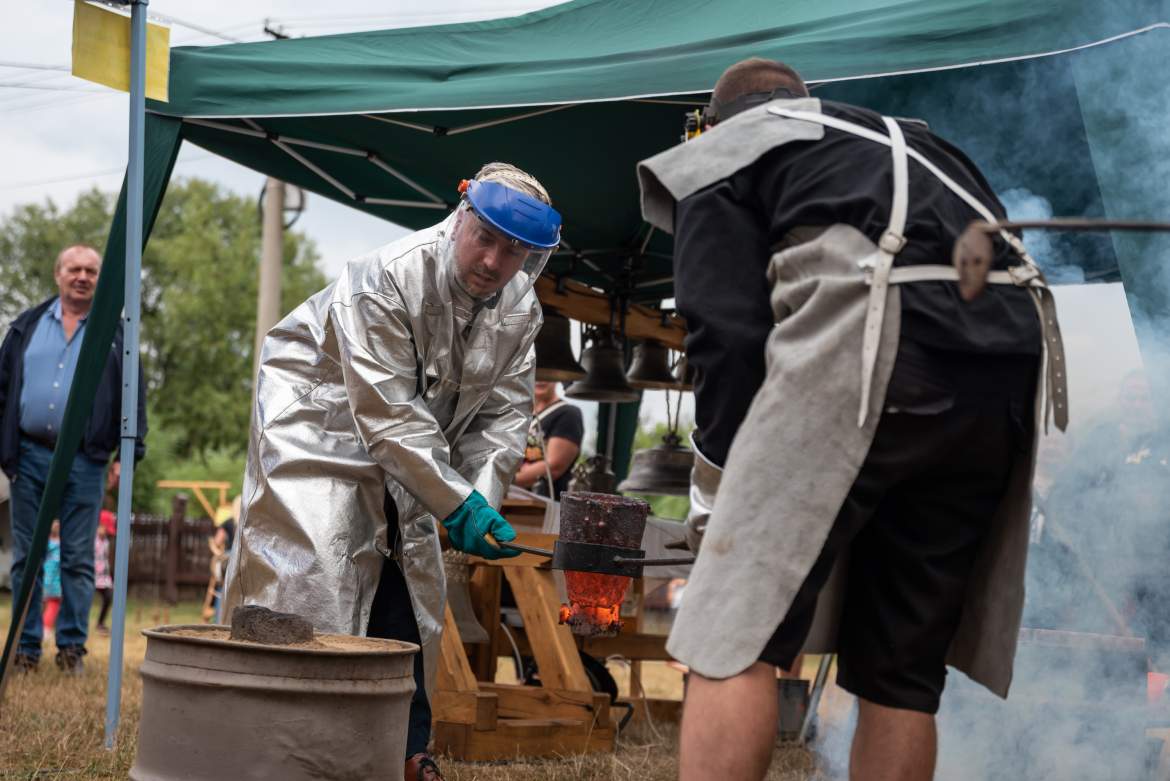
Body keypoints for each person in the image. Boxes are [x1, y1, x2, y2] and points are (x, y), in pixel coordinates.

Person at [637, 58, 1065, 780]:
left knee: (733, 635)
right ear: (806, 103)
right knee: (902, 669)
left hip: (876, 338)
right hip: (1005, 370)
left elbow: (727, 334)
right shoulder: (909, 145)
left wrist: (725, 486)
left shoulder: (726, 149)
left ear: (714, 121)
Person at [223, 162, 560, 781]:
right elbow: (385, 412)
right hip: (321, 433)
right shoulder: (386, 277)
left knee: (409, 596)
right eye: (485, 238)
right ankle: (284, 753)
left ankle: (404, 752)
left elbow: (506, 417)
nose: (493, 261)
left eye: (513, 252)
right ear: (461, 216)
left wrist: (480, 498)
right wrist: (454, 501)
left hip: (414, 452)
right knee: (316, 588)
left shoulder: (519, 309)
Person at [0, 244, 147, 674]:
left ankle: (70, 650)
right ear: (58, 275)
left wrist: (128, 454)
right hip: (28, 456)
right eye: (74, 269)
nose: (82, 276)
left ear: (100, 280)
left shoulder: (116, 334)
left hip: (86, 460)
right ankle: (26, 649)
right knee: (26, 555)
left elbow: (133, 398)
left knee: (78, 557)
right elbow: (2, 389)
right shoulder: (26, 326)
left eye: (91, 270)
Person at [513, 381, 583, 500]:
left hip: (544, 507)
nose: (542, 379)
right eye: (537, 373)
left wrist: (504, 480)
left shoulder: (568, 414)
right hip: (510, 504)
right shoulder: (518, 414)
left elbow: (553, 467)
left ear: (557, 376)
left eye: (547, 374)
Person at [41, 521, 62, 634]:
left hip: (44, 580)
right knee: (54, 604)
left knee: (44, 604)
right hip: (55, 582)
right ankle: (46, 628)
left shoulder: (46, 543)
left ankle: (42, 625)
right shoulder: (61, 545)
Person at [93, 521, 113, 634]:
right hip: (91, 574)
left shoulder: (106, 541)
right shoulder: (92, 540)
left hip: (104, 577)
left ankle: (100, 623)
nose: (106, 532)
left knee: (108, 596)